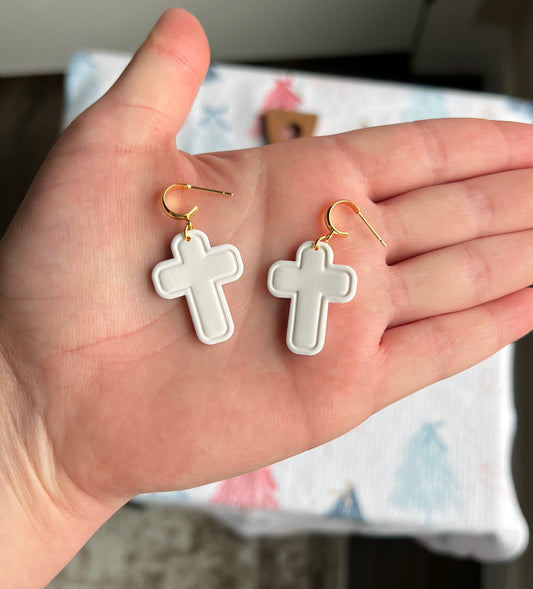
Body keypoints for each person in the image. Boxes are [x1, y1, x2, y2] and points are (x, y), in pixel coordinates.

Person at [0, 8, 531, 587]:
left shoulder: (285, 269)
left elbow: (293, 277)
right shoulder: (213, 262)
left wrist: (33, 448)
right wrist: (29, 428)